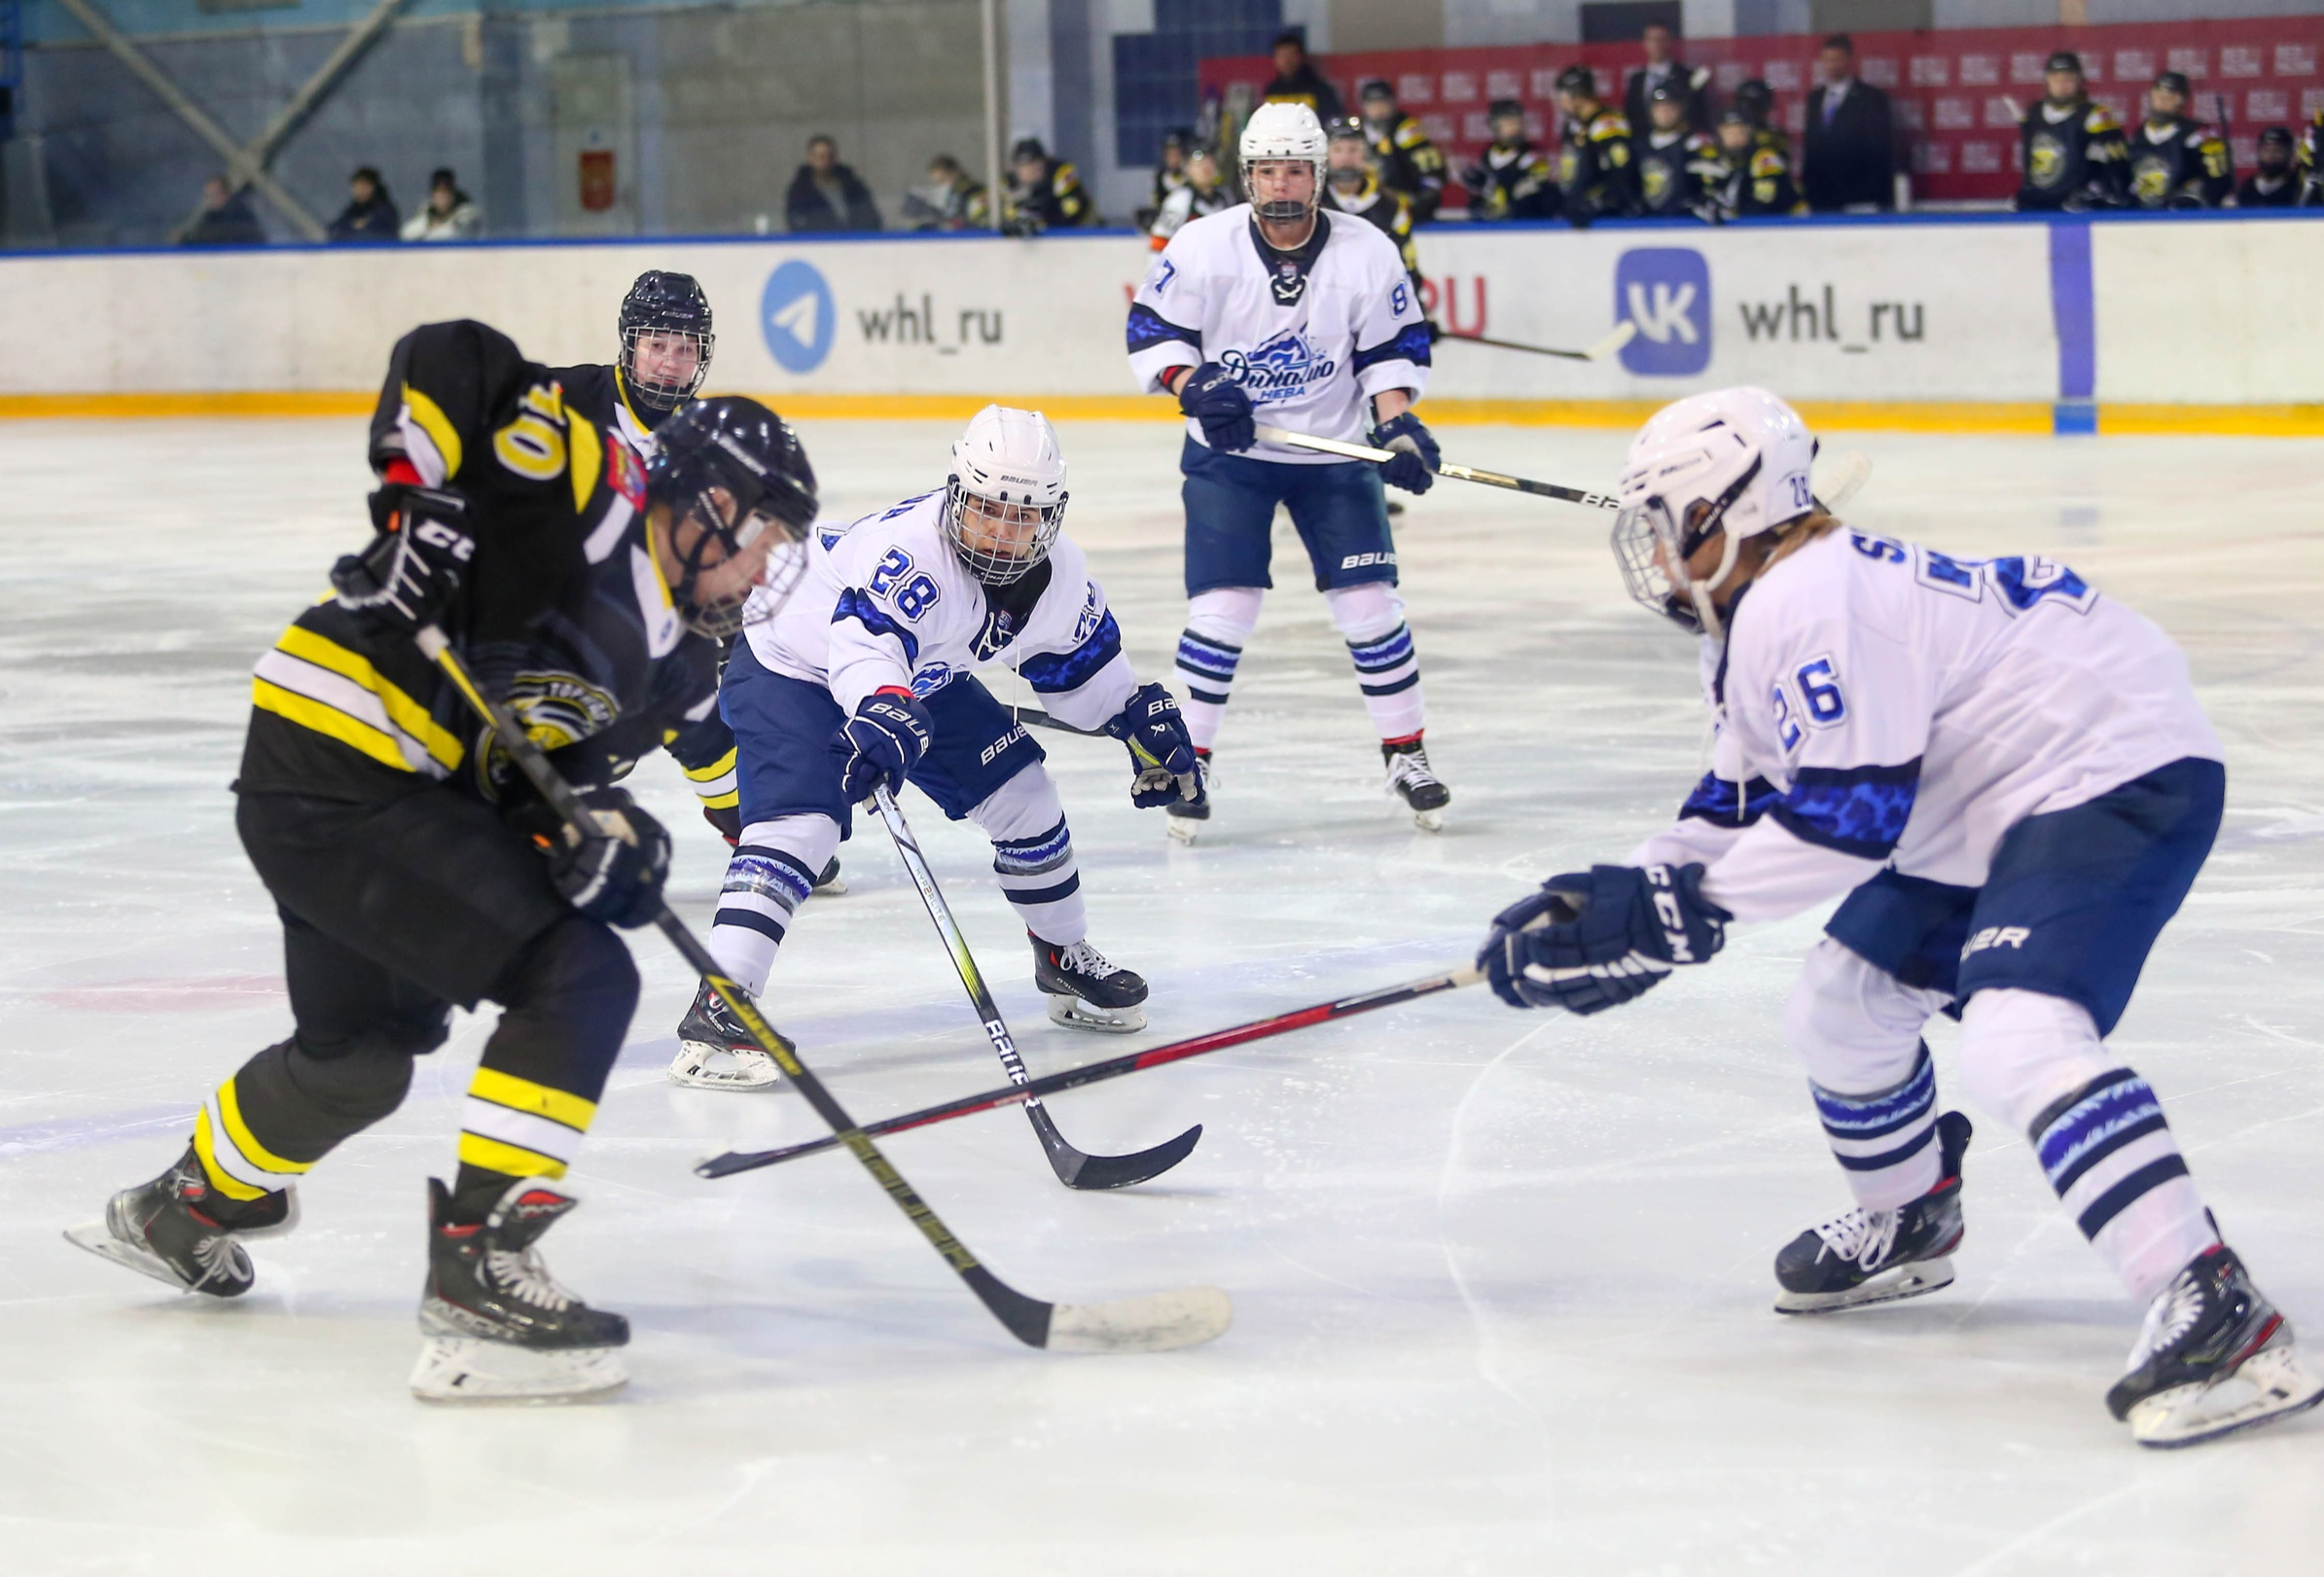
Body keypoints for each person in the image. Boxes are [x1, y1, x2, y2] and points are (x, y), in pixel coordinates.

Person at [1477, 384, 2324, 1451]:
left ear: (1725, 511)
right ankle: (1912, 1212)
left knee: (2020, 1037)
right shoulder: (1752, 616)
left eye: (1662, 518)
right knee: (1839, 1006)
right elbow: (1731, 806)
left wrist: (1675, 914)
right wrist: (1624, 893)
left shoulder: (1810, 600)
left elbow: (1846, 824)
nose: (1649, 546)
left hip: (2106, 767)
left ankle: (2222, 1316)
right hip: (1988, 793)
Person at [65, 319, 819, 1402]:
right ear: (705, 508)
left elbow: (539, 783)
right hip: (335, 747)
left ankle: (180, 1208)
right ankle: (477, 1267)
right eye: (762, 540)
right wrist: (420, 504)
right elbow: (452, 356)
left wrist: (606, 842)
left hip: (370, 796)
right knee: (584, 974)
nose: (764, 571)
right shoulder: (582, 483)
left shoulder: (670, 673)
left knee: (362, 1059)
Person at [671, 407, 1200, 1088]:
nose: (1001, 532)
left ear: (1052, 515)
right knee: (802, 824)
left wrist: (1131, 715)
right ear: (957, 493)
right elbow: (864, 648)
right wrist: (884, 709)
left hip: (916, 677)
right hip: (792, 661)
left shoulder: (1062, 578)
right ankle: (722, 1001)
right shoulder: (912, 553)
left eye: (1022, 516)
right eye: (986, 509)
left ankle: (1060, 953)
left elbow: (1079, 675)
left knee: (1024, 796)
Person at [1126, 102, 1448, 841]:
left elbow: (1386, 350)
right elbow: (1153, 329)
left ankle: (1406, 752)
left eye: (1294, 170)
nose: (1279, 186)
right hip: (1229, 457)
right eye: (1266, 171)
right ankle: (1188, 763)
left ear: (1318, 175)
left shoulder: (1367, 250)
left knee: (1370, 605)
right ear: (1246, 175)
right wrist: (1193, 387)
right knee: (1222, 610)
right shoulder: (1203, 245)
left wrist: (1395, 424)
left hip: (1331, 455)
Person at [2016, 52, 2127, 212]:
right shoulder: (2034, 113)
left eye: (2068, 79)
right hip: (2038, 202)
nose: (2062, 86)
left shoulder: (2095, 115)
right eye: (2056, 79)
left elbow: (2118, 165)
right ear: (2047, 80)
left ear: (2079, 81)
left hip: (2074, 205)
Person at [1325, 118, 1422, 297]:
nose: (1346, 158)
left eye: (1353, 150)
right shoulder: (1313, 202)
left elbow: (1407, 267)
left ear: (1365, 154)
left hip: (1377, 303)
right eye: (1338, 150)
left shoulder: (1391, 205)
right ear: (1326, 155)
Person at [1803, 35, 1895, 212]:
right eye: (1828, 60)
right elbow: (1811, 147)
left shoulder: (1871, 98)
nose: (1832, 65)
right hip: (1821, 197)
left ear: (1850, 60)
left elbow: (1878, 150)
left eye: (1838, 59)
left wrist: (1874, 196)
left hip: (1858, 196)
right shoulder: (1814, 99)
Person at [2127, 72, 2233, 210]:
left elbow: (2219, 178)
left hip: (2183, 215)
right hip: (2142, 214)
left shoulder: (2200, 134)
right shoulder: (2138, 135)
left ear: (2184, 99)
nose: (2165, 100)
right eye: (2161, 93)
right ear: (2152, 94)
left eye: (2173, 95)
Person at [1554, 64, 1639, 226]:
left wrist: (1599, 201)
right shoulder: (1574, 127)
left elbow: (1621, 174)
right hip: (1577, 215)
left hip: (1605, 221)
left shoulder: (1607, 124)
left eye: (1562, 97)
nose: (1560, 104)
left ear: (1576, 96)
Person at [1357, 80, 1448, 224]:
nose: (1378, 109)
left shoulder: (1405, 129)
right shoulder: (1357, 130)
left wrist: (1421, 200)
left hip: (1404, 202)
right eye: (1372, 104)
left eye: (1383, 103)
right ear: (1363, 106)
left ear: (1393, 103)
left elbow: (1432, 174)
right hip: (1364, 206)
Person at [1459, 99, 1557, 222]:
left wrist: (1491, 186)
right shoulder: (1486, 157)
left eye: (1519, 121)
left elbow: (1527, 196)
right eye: (1509, 122)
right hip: (1491, 229)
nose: (1516, 127)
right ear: (1495, 125)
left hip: (1525, 228)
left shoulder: (1534, 156)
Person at [1701, 108, 1806, 220]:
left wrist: (1731, 218)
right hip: (1744, 227)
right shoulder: (1718, 160)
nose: (1735, 139)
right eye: (1729, 133)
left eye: (1740, 133)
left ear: (1750, 132)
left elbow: (1763, 203)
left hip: (1790, 225)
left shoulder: (1764, 158)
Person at [1635, 83, 1716, 220]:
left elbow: (1709, 184)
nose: (1665, 113)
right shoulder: (1639, 147)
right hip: (1647, 224)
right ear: (1650, 111)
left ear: (1680, 110)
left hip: (1684, 223)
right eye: (1659, 108)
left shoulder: (1693, 145)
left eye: (1670, 107)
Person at [1623, 22, 1712, 136]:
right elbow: (1631, 115)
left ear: (1670, 41)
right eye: (1651, 39)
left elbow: (1700, 116)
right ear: (1644, 43)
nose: (1656, 44)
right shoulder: (1636, 80)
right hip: (1644, 147)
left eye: (1661, 39)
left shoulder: (1688, 77)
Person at [785, 135, 883, 233]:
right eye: (819, 157)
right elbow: (797, 223)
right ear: (810, 158)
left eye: (829, 156)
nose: (825, 161)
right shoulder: (800, 192)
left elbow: (870, 217)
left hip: (855, 242)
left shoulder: (853, 186)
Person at [1003, 137, 1094, 234]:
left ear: (1043, 163)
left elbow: (1072, 212)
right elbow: (1010, 215)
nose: (1028, 170)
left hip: (1079, 226)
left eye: (1033, 164)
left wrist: (1039, 222)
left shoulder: (1061, 173)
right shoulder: (1010, 183)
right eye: (1022, 166)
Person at [1149, 145, 1233, 249]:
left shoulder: (1225, 197)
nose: (1205, 168)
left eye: (1209, 162)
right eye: (1199, 164)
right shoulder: (1179, 200)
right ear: (1188, 169)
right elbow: (1160, 240)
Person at [1261, 29, 1343, 125]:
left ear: (1301, 57)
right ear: (1275, 59)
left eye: (1291, 55)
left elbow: (1331, 121)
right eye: (1281, 56)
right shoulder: (1271, 91)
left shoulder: (1319, 89)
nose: (1287, 61)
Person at [903, 155, 991, 231]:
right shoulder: (941, 200)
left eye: (943, 180)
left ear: (955, 173)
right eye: (937, 182)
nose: (941, 186)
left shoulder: (975, 192)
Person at [400, 168, 481, 241]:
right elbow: (406, 233)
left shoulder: (467, 213)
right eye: (438, 192)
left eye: (446, 192)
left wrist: (432, 230)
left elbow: (456, 234)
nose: (442, 197)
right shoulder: (426, 211)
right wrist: (430, 226)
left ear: (453, 194)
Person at [183, 176, 266, 246]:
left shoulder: (238, 215)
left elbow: (218, 236)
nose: (208, 200)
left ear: (224, 195)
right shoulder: (211, 217)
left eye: (212, 195)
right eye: (206, 196)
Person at [327, 166, 399, 243]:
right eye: (356, 186)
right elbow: (335, 229)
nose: (359, 190)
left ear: (372, 187)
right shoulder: (352, 211)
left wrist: (363, 226)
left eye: (363, 185)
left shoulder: (385, 212)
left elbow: (382, 233)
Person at [2235, 127, 2301, 207]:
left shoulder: (2297, 187)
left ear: (2290, 154)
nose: (2271, 155)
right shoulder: (2247, 187)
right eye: (2266, 150)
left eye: (2278, 151)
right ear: (2258, 152)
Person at [1143, 129, 1196, 229]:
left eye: (1177, 154)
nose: (1174, 159)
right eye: (1170, 155)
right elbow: (1154, 203)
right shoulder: (1159, 177)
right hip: (1168, 226)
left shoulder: (1192, 177)